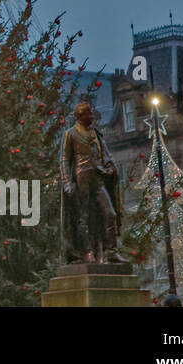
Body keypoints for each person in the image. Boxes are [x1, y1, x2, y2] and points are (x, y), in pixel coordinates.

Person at [59, 102, 127, 263]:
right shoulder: (70, 134)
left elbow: (106, 155)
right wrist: (66, 182)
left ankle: (111, 251)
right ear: (79, 116)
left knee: (109, 213)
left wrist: (110, 167)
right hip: (81, 177)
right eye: (88, 114)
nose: (91, 117)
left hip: (98, 177)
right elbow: (64, 159)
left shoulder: (96, 133)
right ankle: (87, 251)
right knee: (84, 216)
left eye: (92, 114)